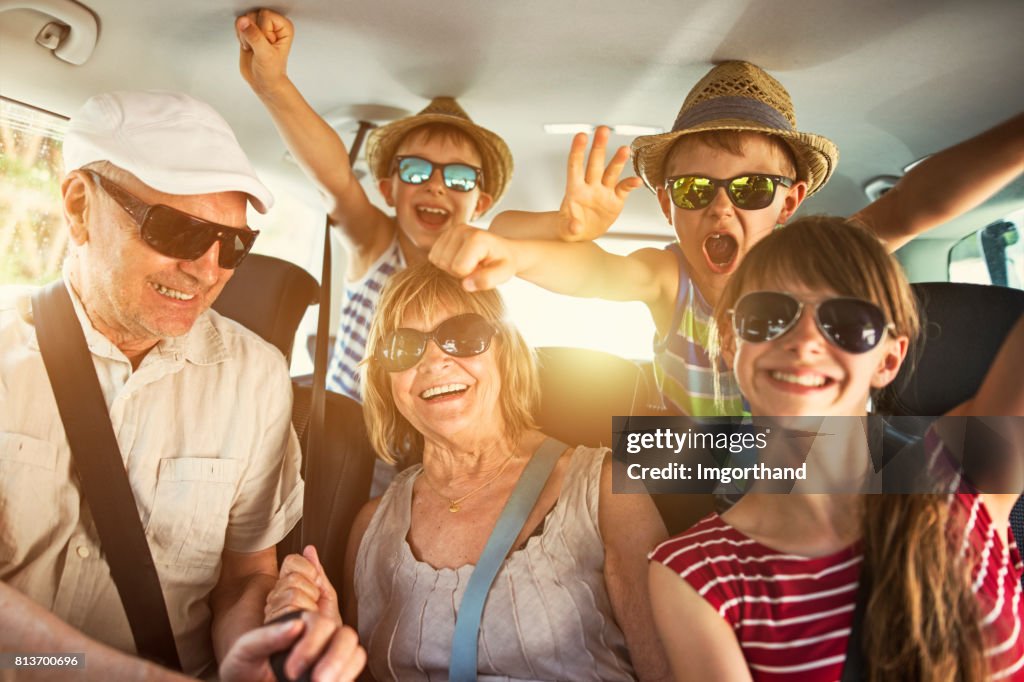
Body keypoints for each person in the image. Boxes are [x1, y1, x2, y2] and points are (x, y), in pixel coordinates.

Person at [0, 90, 361, 680]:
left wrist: (255, 653)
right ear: (78, 206)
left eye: (232, 245)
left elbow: (245, 577)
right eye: (176, 231)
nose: (207, 269)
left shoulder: (256, 379)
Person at [427, 61, 1024, 416]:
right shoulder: (668, 279)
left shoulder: (824, 265)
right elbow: (593, 273)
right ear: (666, 205)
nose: (720, 206)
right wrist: (515, 253)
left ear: (788, 202)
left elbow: (912, 208)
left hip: (812, 472)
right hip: (696, 479)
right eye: (693, 190)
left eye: (752, 189)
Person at [647, 217, 1024, 681]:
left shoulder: (955, 479)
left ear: (888, 359)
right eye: (768, 315)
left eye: (847, 323)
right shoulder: (695, 571)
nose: (804, 342)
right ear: (729, 341)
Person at [262, 262, 672, 681]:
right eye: (404, 347)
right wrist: (329, 648)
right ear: (387, 380)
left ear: (506, 351)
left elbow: (670, 672)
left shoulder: (603, 489)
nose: (435, 360)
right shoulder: (369, 528)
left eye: (463, 336)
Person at [235, 9, 513, 404]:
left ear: (480, 202)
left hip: (432, 425)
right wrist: (273, 85)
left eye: (458, 178)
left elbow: (535, 242)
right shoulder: (378, 242)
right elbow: (336, 181)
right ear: (387, 191)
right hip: (350, 434)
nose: (435, 185)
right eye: (416, 170)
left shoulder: (485, 265)